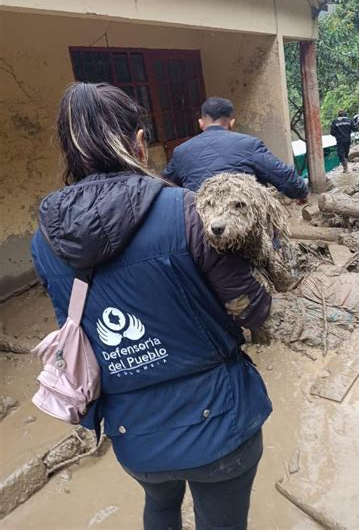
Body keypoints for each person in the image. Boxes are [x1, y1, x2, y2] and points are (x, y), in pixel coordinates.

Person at [31, 83, 273, 530]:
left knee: (160, 506)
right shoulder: (186, 210)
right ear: (140, 144)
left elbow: (75, 328)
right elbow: (249, 309)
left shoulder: (45, 240)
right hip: (220, 422)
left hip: (133, 433)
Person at [163, 97, 308, 200]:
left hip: (200, 229)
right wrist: (301, 193)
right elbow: (283, 175)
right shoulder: (249, 144)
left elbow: (164, 186)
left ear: (201, 123)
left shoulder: (181, 152)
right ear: (231, 123)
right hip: (245, 229)